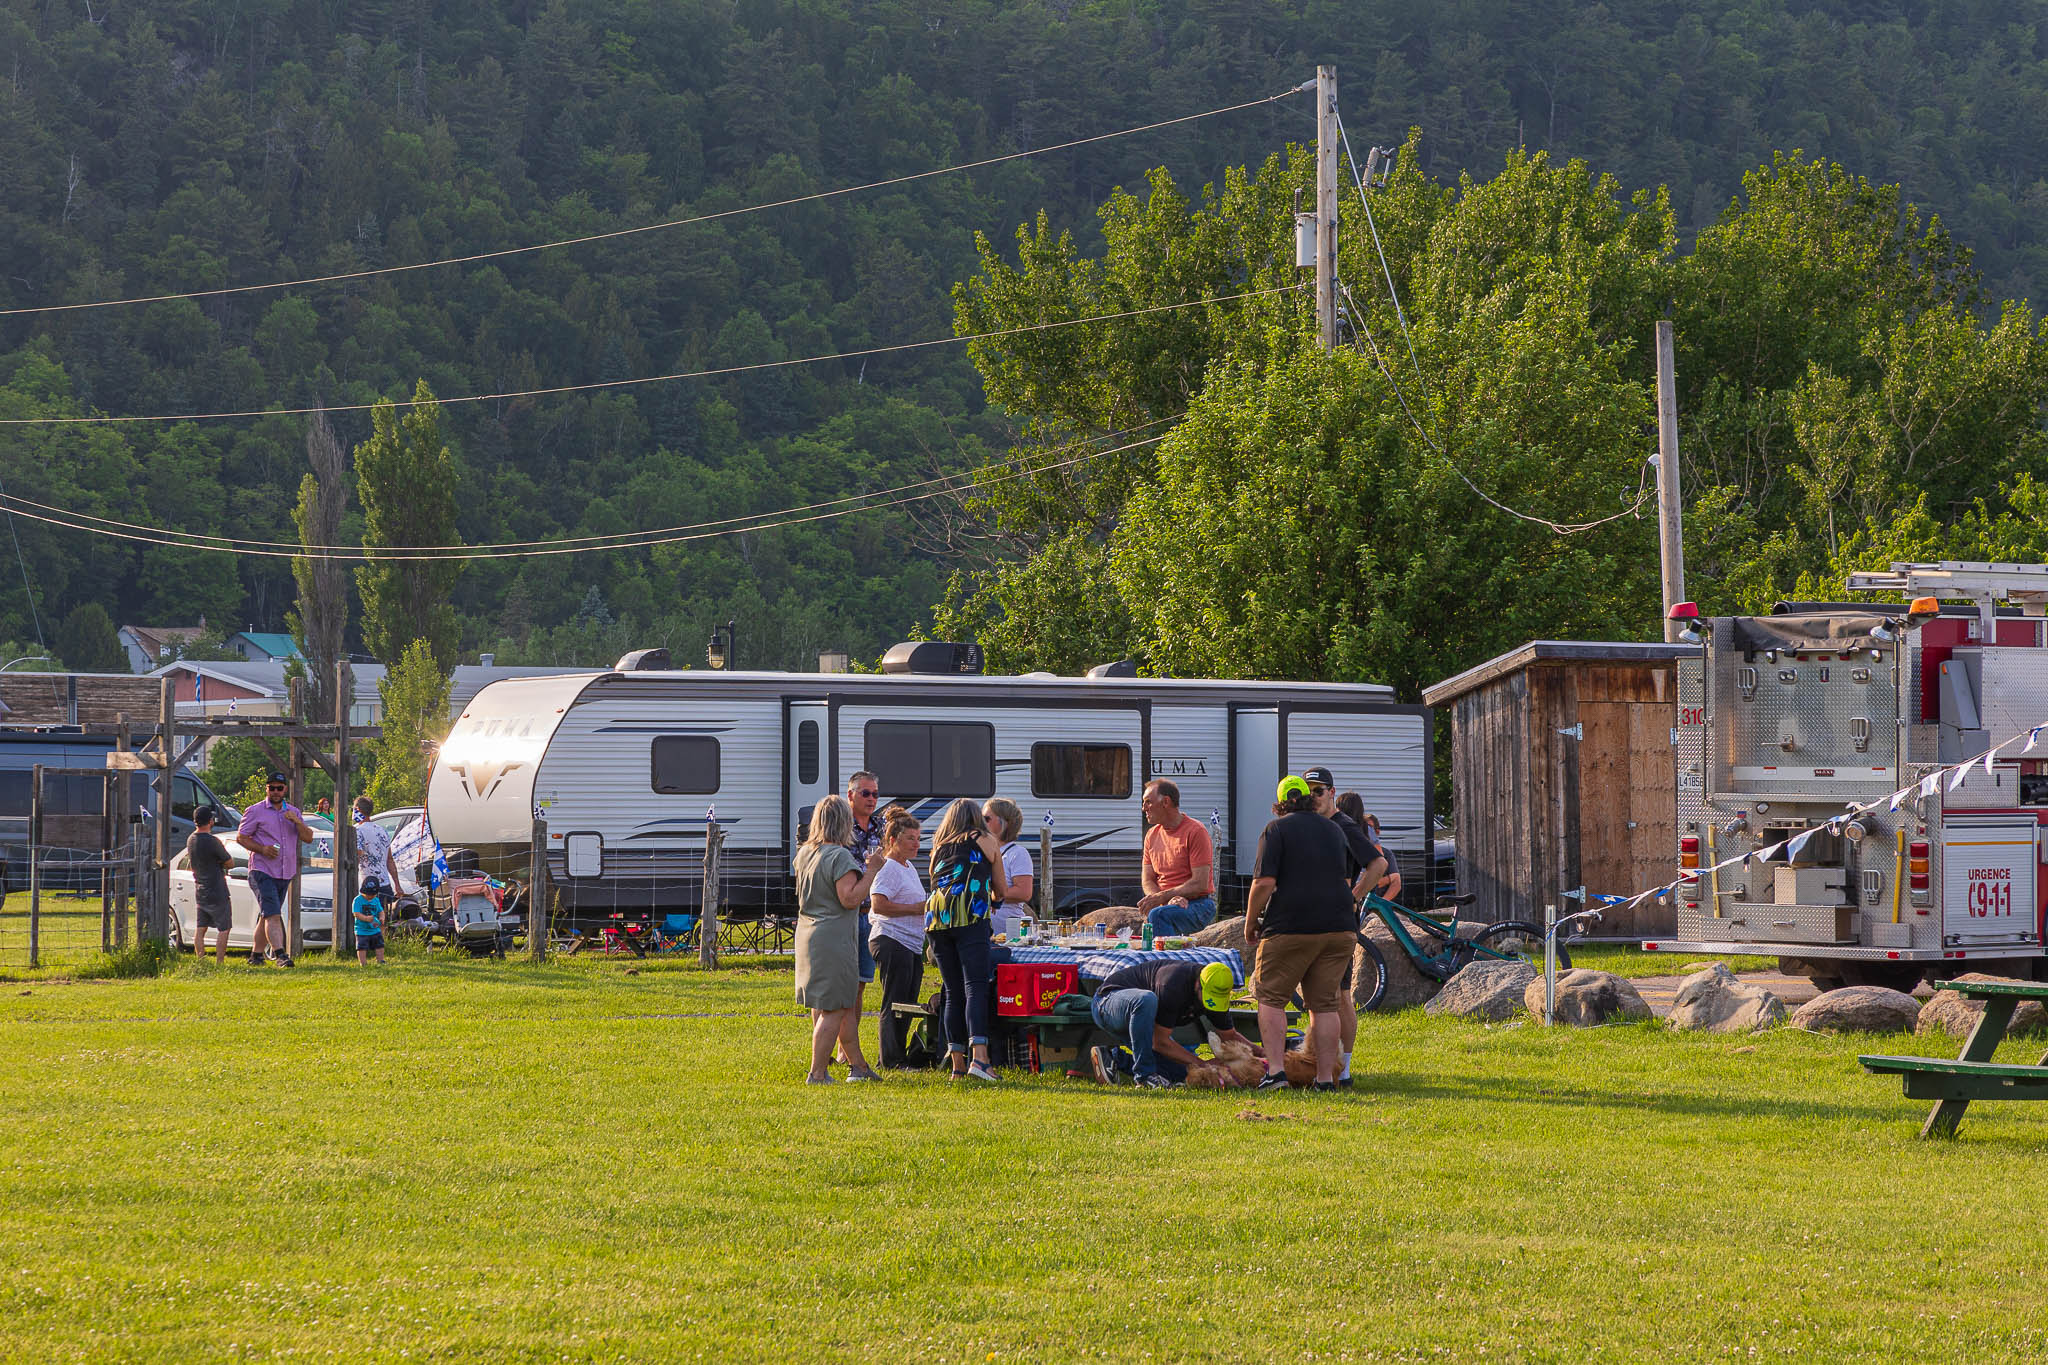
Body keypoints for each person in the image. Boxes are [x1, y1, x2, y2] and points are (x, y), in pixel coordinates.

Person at [1246, 776, 1359, 1092]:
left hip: (1291, 926)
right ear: (1310, 799)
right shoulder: (1334, 830)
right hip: (1340, 927)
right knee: (1324, 1004)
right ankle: (1325, 1079)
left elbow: (1264, 883)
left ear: (1281, 803)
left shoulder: (1276, 829)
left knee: (1270, 998)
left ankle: (1277, 1074)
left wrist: (1251, 920)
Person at [793, 794, 887, 1084]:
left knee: (827, 1004)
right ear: (844, 822)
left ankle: (858, 1066)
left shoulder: (805, 853)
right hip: (833, 935)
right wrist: (872, 870)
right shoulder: (840, 856)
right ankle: (817, 1072)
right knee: (835, 1007)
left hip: (808, 931)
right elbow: (849, 899)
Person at [1305, 769, 1389, 1089]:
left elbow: (1378, 865)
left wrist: (1354, 896)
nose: (1314, 796)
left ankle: (1343, 1070)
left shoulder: (1345, 826)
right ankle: (1324, 1063)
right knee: (1320, 996)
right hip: (1313, 919)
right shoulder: (1316, 826)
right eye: (1308, 791)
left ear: (1331, 792)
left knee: (1339, 995)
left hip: (1338, 920)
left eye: (1319, 790)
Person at [925, 797, 1009, 1083]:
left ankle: (957, 1066)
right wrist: (992, 896)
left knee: (952, 991)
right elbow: (1002, 889)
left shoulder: (938, 847)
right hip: (969, 914)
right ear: (976, 819)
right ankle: (981, 1060)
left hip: (936, 918)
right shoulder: (985, 839)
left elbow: (938, 882)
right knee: (975, 986)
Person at [1089, 960, 1252, 1088]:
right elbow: (1160, 1042)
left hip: (1143, 1025)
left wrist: (1265, 1055)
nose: (1211, 1003)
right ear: (1198, 985)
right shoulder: (1173, 984)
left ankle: (1114, 1058)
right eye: (1209, 996)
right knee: (1145, 999)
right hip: (1108, 1003)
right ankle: (1145, 1077)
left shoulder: (1215, 991)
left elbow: (1229, 1035)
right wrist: (1204, 1064)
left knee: (1183, 1073)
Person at [235, 772, 317, 967]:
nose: (275, 792)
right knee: (273, 914)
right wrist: (262, 849)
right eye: (271, 788)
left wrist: (296, 822)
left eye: (279, 788)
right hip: (262, 870)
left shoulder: (294, 812)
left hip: (285, 871)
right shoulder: (255, 811)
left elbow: (308, 837)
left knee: (267, 914)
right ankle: (281, 955)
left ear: (285, 790)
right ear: (267, 789)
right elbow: (241, 837)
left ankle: (256, 956)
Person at [867, 806, 927, 1069]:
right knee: (894, 1000)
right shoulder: (890, 867)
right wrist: (915, 909)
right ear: (893, 841)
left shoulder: (908, 865)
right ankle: (889, 1060)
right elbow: (878, 904)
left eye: (918, 839)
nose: (916, 844)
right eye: (910, 839)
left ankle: (898, 1056)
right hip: (892, 940)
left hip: (910, 943)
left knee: (907, 1002)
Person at [836, 771, 884, 1068]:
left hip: (870, 914)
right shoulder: (841, 827)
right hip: (847, 912)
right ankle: (842, 1049)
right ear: (850, 795)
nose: (871, 799)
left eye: (875, 794)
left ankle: (845, 1045)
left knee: (862, 983)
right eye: (865, 793)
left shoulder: (880, 826)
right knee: (844, 987)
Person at [1137, 779, 1216, 934]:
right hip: (1167, 904)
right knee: (1158, 914)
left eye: (1148, 802)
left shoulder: (1195, 831)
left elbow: (1200, 883)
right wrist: (1165, 901)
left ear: (1166, 802)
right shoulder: (1151, 835)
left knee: (1159, 915)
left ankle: (1167, 958)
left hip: (1198, 904)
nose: (1143, 808)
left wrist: (1164, 898)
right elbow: (1147, 880)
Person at [186, 805, 235, 965]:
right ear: (210, 821)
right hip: (217, 889)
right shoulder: (213, 841)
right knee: (224, 928)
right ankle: (219, 962)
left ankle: (201, 960)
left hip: (200, 889)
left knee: (201, 928)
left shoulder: (191, 840)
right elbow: (230, 863)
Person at [982, 796, 1035, 939]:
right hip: (986, 934)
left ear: (1005, 823)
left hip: (1009, 937)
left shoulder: (1017, 853)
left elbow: (1024, 893)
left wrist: (987, 893)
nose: (981, 823)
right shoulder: (984, 852)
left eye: (987, 819)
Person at [351, 797, 403, 916]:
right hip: (385, 885)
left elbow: (357, 854)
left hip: (367, 885)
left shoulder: (357, 831)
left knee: (366, 924)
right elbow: (389, 859)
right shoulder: (382, 831)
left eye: (353, 809)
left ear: (358, 810)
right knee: (383, 922)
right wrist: (397, 885)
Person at [352, 881, 386, 965]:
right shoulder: (358, 900)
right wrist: (366, 918)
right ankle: (363, 963)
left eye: (373, 894)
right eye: (368, 894)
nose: (370, 896)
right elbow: (356, 913)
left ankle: (381, 960)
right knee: (361, 947)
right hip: (361, 930)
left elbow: (381, 911)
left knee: (380, 945)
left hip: (375, 929)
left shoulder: (376, 900)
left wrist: (382, 918)